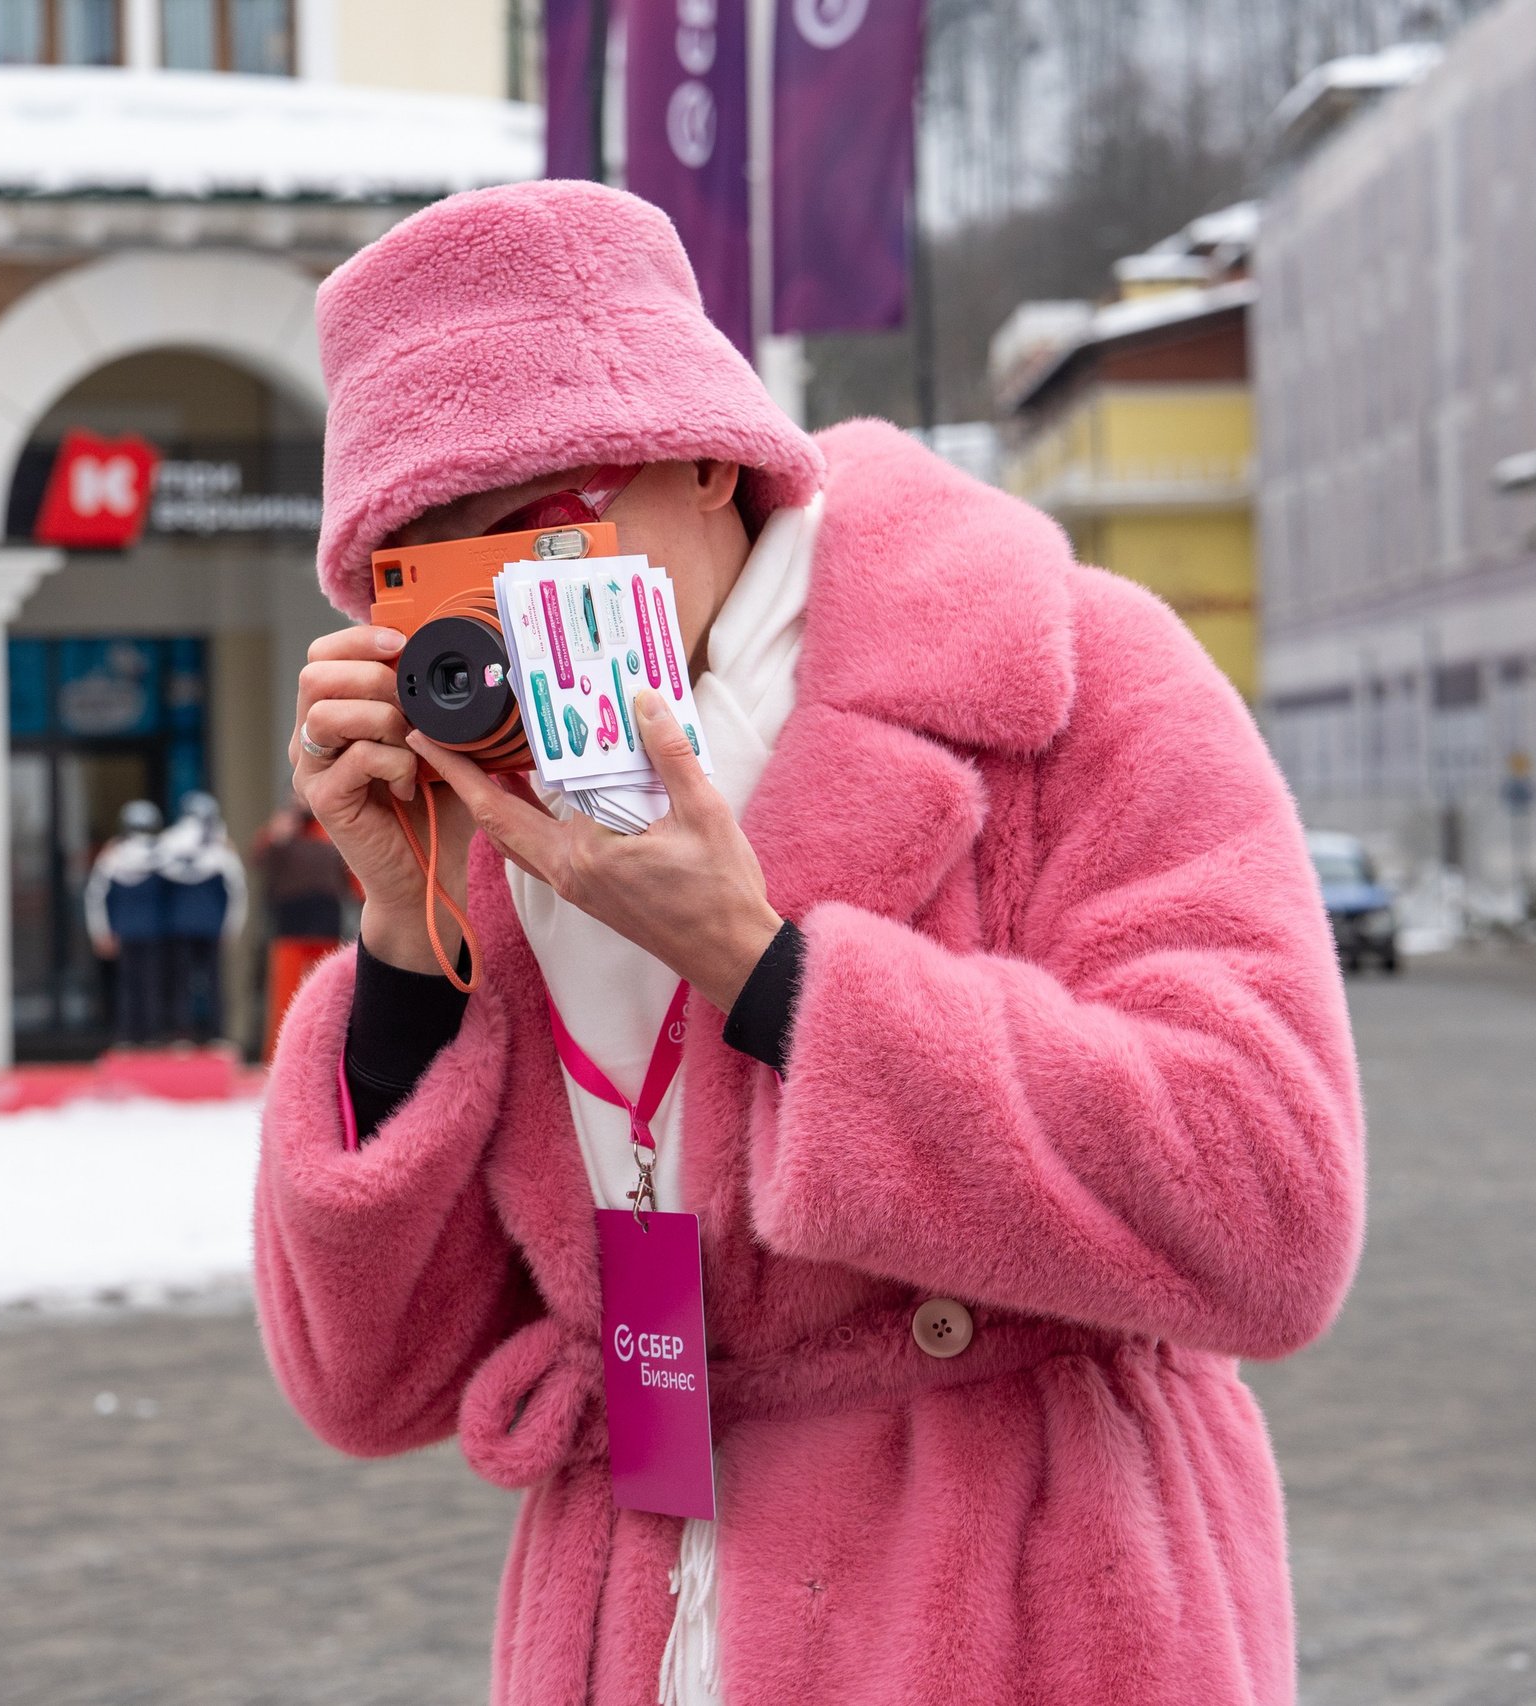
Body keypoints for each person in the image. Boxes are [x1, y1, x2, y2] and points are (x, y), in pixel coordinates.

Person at [256, 181, 1365, 1706]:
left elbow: (1272, 1206)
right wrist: (400, 946)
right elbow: (364, 1384)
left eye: (536, 525)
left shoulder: (1064, 675)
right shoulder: (480, 813)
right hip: (639, 1619)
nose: (508, 601)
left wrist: (770, 969)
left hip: (1021, 1612)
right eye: (427, 566)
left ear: (709, 457)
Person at [254, 803, 354, 1061]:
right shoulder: (283, 833)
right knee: (285, 994)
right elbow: (258, 861)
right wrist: (274, 837)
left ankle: (324, 1055)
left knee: (327, 996)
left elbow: (353, 880)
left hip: (327, 924)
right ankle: (280, 1057)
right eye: (294, 796)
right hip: (290, 925)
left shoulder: (333, 830)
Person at [158, 790, 245, 1045]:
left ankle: (188, 1032)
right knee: (209, 980)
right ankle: (212, 1032)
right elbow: (237, 890)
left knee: (187, 979)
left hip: (184, 924)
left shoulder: (170, 843)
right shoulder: (221, 846)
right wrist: (232, 926)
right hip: (207, 924)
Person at [84, 798, 172, 1046]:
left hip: (125, 930)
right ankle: (150, 1035)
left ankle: (130, 1036)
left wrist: (100, 932)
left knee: (129, 985)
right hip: (153, 929)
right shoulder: (163, 855)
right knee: (150, 982)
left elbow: (95, 897)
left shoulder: (111, 858)